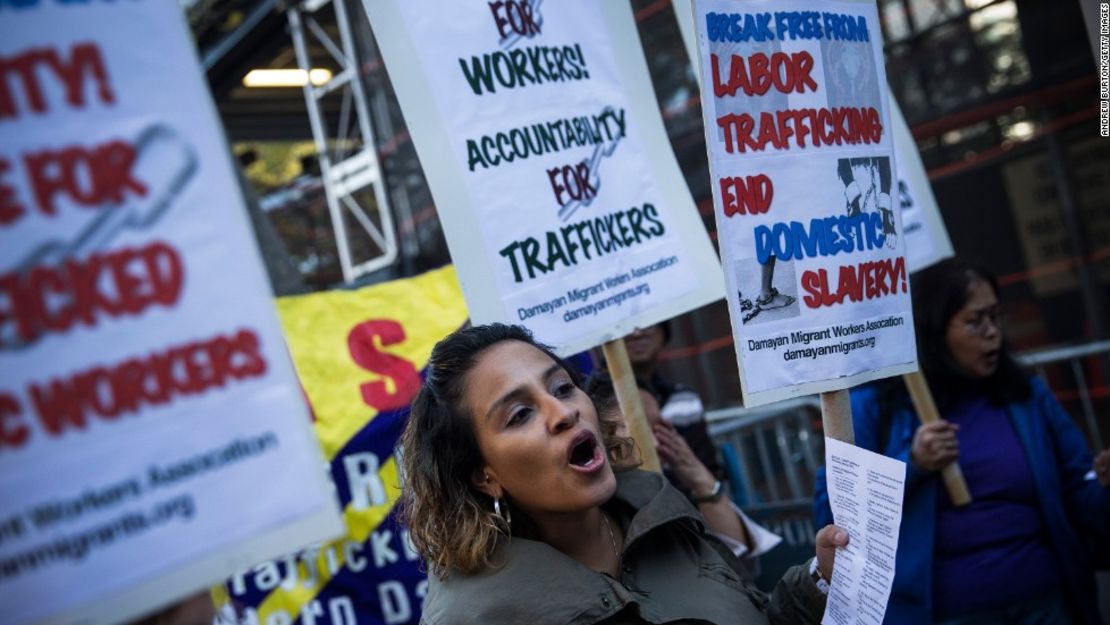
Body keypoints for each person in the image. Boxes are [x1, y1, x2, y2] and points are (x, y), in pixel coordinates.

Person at [402, 323, 849, 625]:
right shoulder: (474, 615)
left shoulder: (665, 517)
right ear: (484, 475)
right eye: (520, 414)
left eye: (562, 387)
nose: (564, 412)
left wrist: (817, 582)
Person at [813, 258, 1110, 625]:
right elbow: (832, 521)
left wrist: (1104, 484)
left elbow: (1084, 500)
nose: (992, 333)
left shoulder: (1025, 397)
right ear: (935, 331)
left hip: (1046, 605)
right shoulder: (875, 408)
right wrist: (912, 465)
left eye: (995, 317)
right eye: (974, 321)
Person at [584, 371, 782, 568]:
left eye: (657, 428)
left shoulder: (673, 494)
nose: (654, 443)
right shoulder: (593, 519)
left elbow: (739, 557)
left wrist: (699, 477)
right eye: (639, 429)